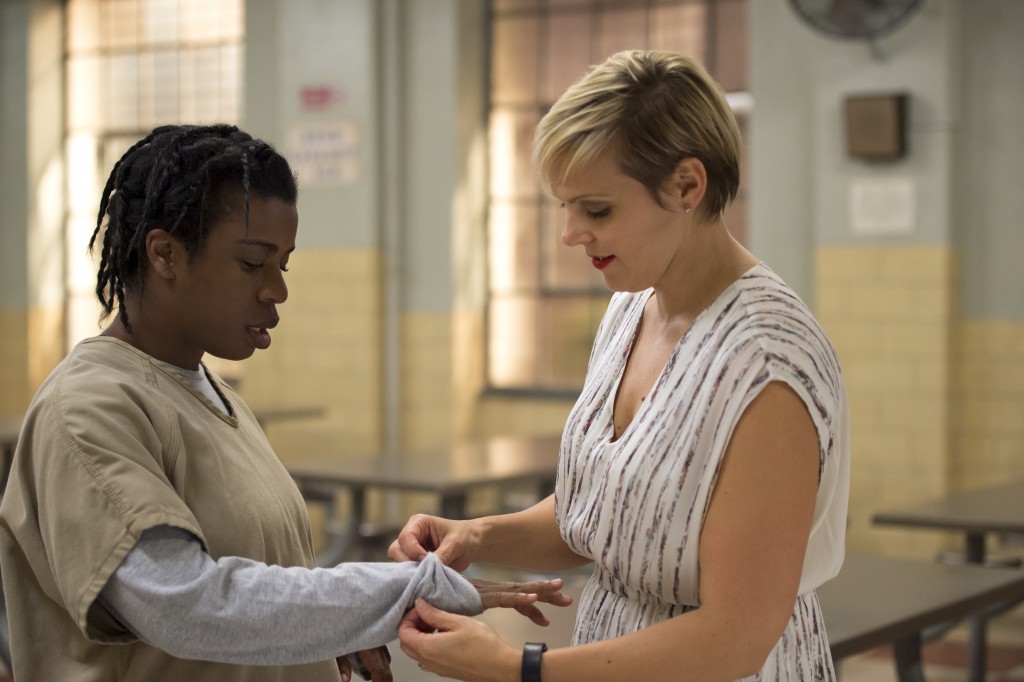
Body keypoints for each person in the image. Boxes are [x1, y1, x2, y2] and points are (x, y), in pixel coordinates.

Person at [0, 124, 569, 682]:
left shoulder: (212, 395)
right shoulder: (87, 410)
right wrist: (398, 592)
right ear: (165, 254)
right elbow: (183, 603)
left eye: (283, 264)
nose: (277, 290)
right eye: (252, 263)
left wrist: (330, 634)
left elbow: (264, 579)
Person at [390, 50, 850, 681]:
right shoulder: (632, 309)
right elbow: (618, 510)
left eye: (597, 210)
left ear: (688, 186)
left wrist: (518, 667)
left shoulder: (764, 362)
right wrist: (479, 535)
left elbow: (736, 636)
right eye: (565, 208)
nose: (570, 235)